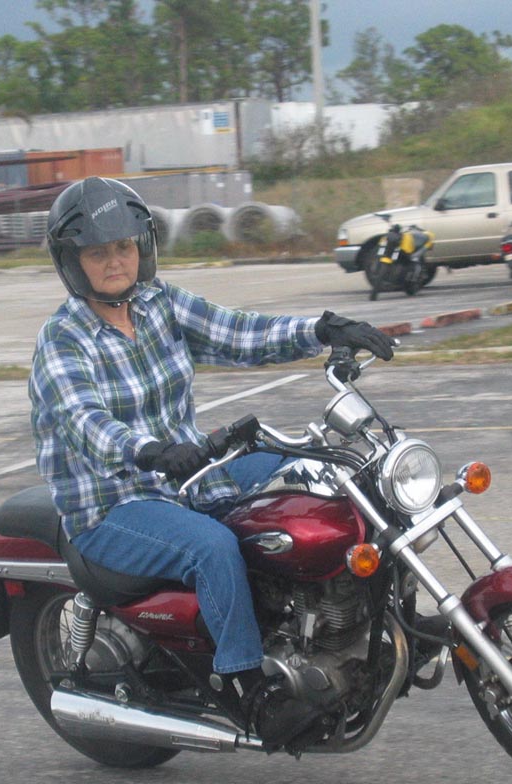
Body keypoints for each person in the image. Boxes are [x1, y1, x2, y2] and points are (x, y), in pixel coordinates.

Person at [29, 176, 394, 751]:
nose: (115, 261)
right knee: (212, 547)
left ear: (143, 247)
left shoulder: (158, 304)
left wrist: (322, 329)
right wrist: (149, 450)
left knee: (310, 468)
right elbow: (84, 421)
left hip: (189, 475)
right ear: (73, 262)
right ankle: (252, 691)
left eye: (124, 246)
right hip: (113, 502)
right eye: (98, 252)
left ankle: (342, 620)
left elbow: (239, 333)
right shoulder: (63, 340)